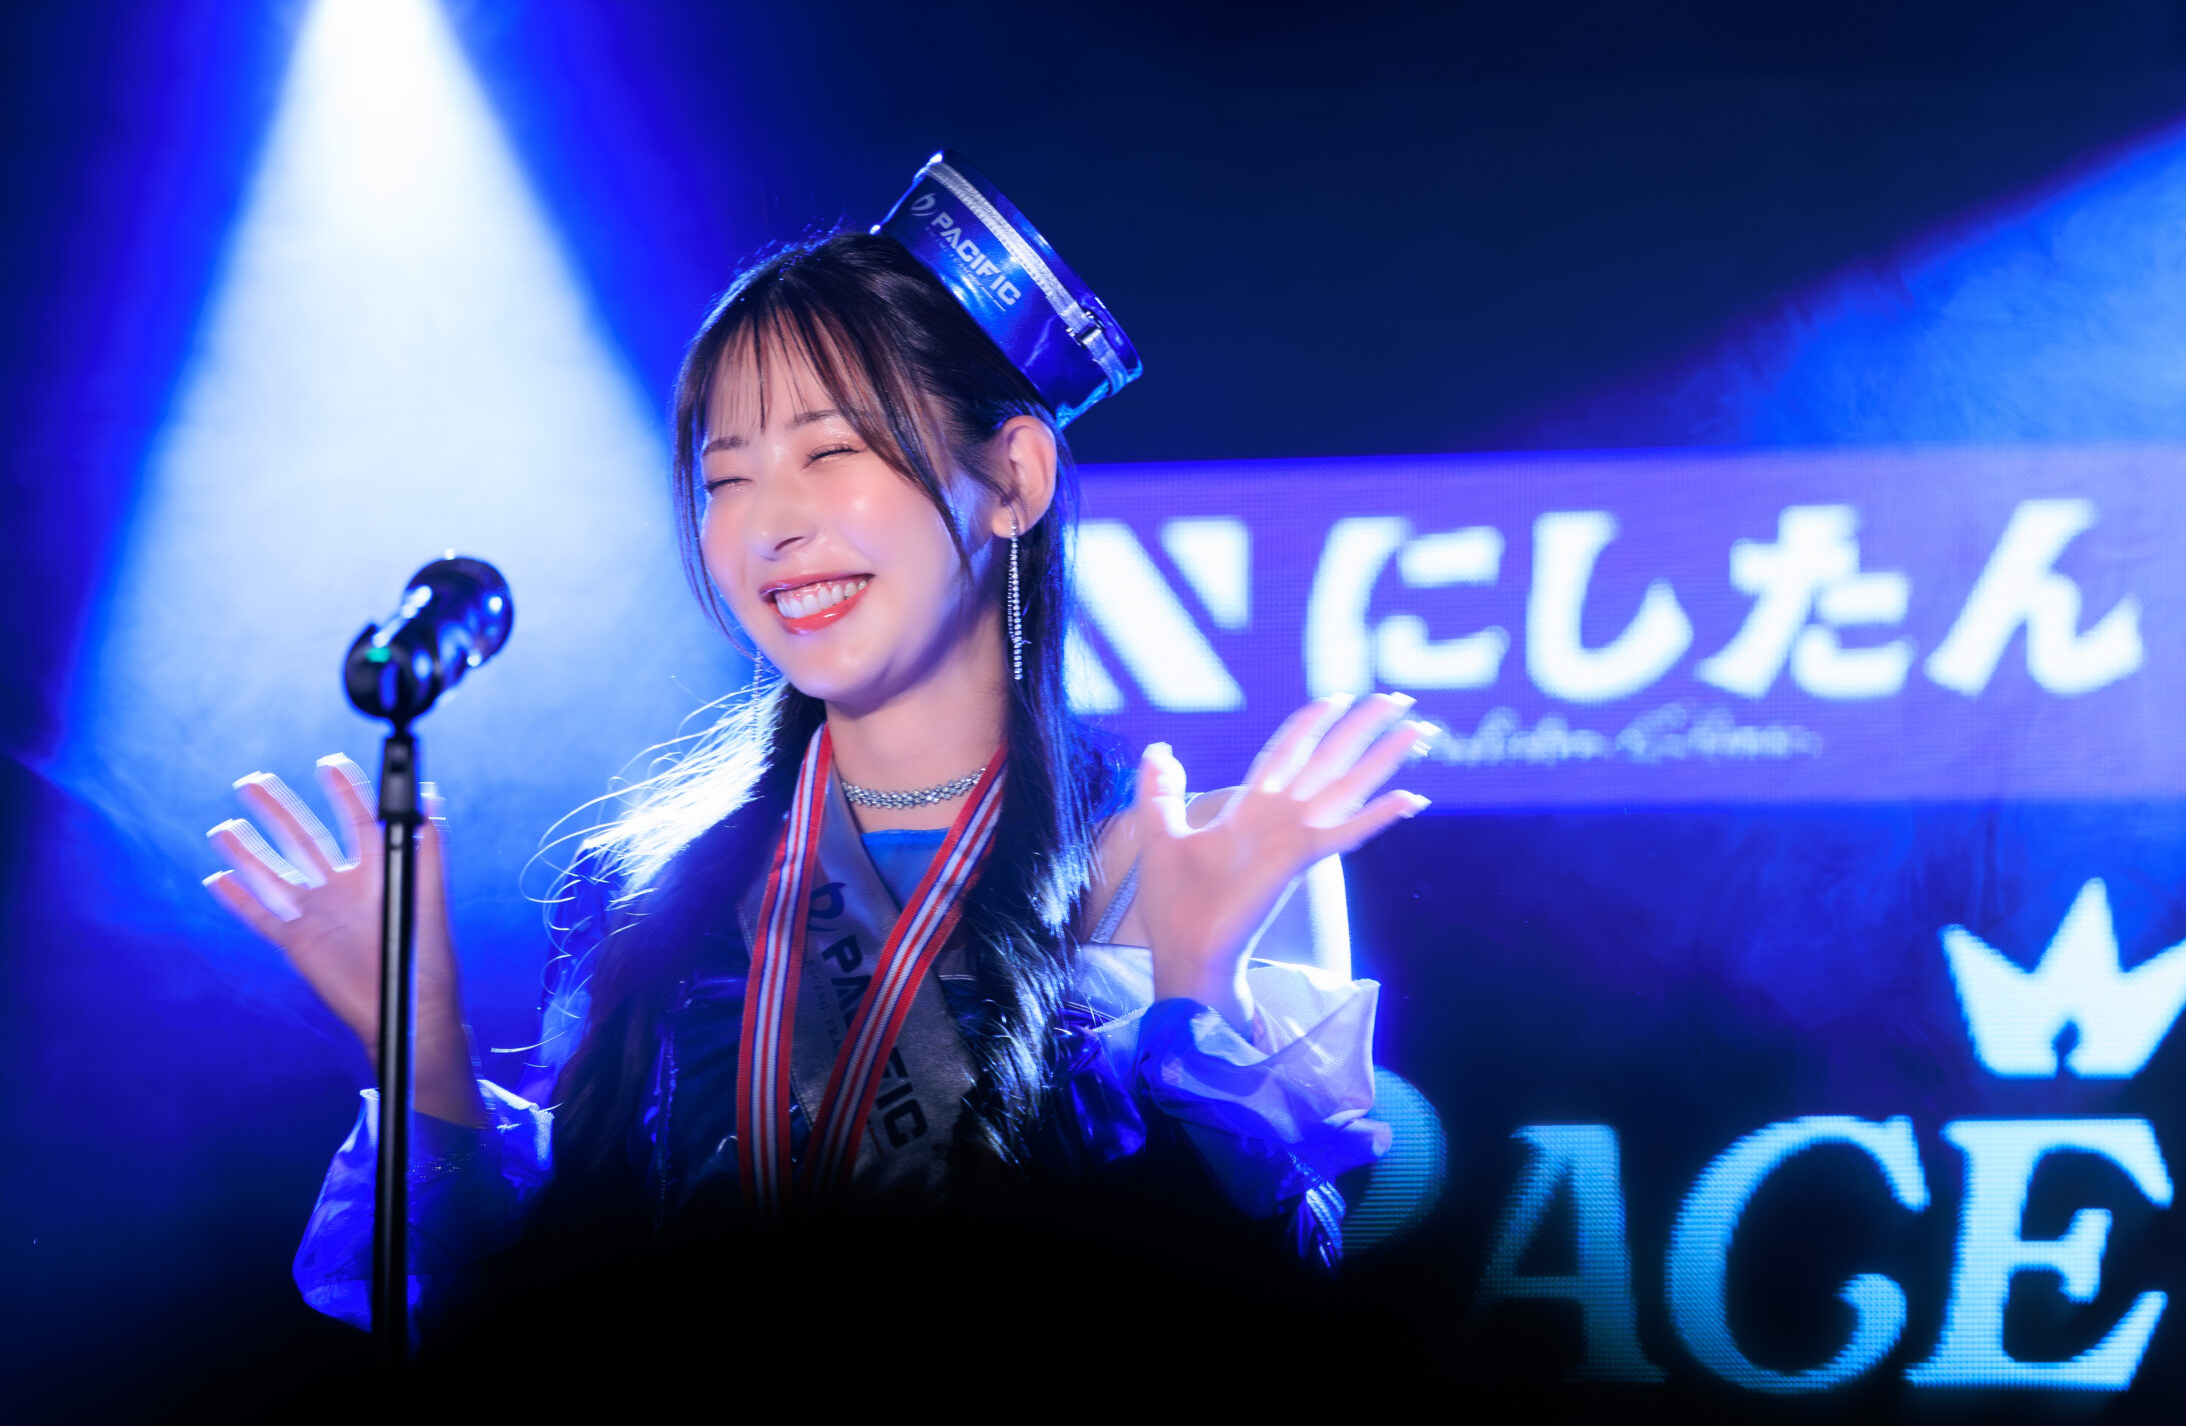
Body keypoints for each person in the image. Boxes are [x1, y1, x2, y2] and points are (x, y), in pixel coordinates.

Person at [202, 156, 1433, 1351]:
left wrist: (1197, 985)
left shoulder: (1190, 856)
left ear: (1014, 476)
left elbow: (1275, 1332)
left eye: (830, 452)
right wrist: (418, 1041)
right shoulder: (641, 885)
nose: (770, 526)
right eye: (725, 478)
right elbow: (533, 1307)